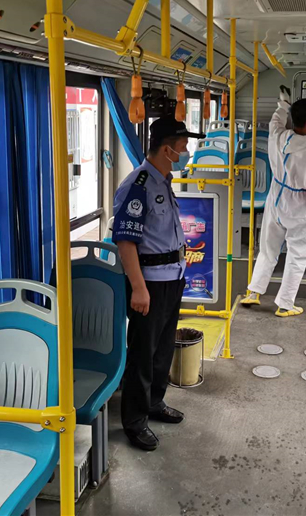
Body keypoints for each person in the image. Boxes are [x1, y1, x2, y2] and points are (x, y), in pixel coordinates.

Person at [112, 116, 204, 451]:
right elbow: (126, 241)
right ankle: (135, 421)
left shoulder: (163, 181)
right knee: (142, 353)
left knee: (163, 349)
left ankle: (154, 402)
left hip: (172, 278)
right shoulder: (137, 186)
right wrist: (138, 288)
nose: (186, 152)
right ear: (168, 150)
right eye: (183, 147)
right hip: (149, 284)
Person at [241, 87, 306, 317]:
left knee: (268, 247)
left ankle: (254, 292)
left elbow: (276, 120)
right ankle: (285, 304)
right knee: (297, 254)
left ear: (292, 118)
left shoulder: (277, 136)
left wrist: (283, 104)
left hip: (276, 196)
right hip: (300, 204)